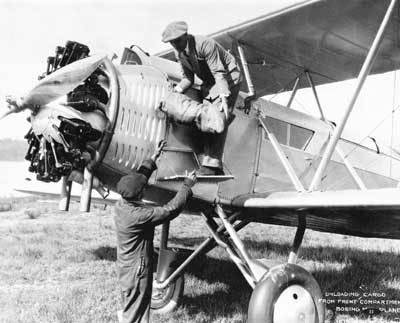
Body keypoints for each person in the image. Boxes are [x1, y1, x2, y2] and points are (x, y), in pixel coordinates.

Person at [113, 140, 197, 323]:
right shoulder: (138, 215)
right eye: (143, 190)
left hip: (126, 267)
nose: (145, 190)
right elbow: (170, 210)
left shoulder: (121, 204)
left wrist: (153, 157)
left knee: (130, 304)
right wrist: (186, 186)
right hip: (137, 269)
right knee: (137, 311)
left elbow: (137, 179)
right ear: (138, 195)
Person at [161, 21, 242, 176]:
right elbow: (188, 79)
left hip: (228, 78)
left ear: (186, 35)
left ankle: (213, 166)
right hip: (210, 82)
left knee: (216, 115)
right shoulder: (179, 53)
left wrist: (224, 100)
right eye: (171, 42)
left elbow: (219, 72)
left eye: (177, 40)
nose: (175, 45)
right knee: (205, 117)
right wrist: (175, 92)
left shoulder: (205, 44)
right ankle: (205, 160)